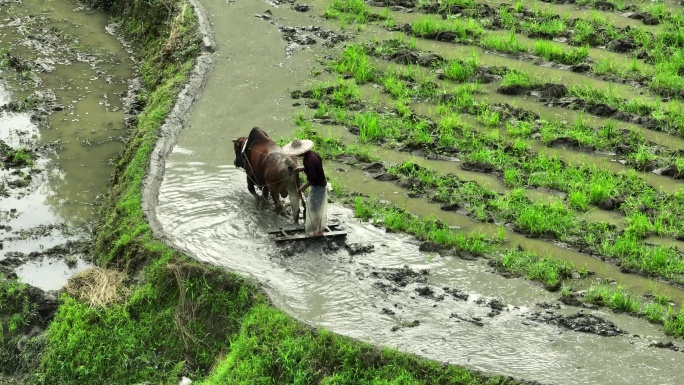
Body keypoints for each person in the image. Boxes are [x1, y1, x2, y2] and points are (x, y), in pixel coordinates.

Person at [282, 138, 328, 237]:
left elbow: (313, 178)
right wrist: (302, 168)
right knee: (317, 207)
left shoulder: (308, 161)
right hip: (321, 184)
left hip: (318, 187)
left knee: (315, 209)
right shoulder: (313, 154)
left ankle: (317, 231)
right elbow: (316, 167)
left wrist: (303, 187)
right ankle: (318, 228)